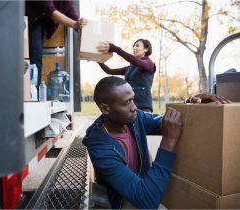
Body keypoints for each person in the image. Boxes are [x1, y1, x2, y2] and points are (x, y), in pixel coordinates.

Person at [82, 76, 230, 209]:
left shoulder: (134, 118)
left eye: (133, 99)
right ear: (105, 108)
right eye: (126, 103)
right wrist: (169, 141)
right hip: (122, 201)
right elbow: (146, 201)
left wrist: (191, 105)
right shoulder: (100, 149)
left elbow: (167, 122)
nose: (134, 107)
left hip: (144, 184)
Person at [25, 0, 86, 84]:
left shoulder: (66, 2)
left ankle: (33, 92)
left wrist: (82, 25)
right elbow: (51, 11)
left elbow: (75, 21)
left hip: (37, 23)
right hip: (23, 17)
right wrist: (76, 24)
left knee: (36, 58)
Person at [96, 39, 156, 112]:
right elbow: (109, 71)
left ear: (146, 49)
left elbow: (137, 62)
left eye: (137, 45)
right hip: (130, 106)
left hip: (143, 107)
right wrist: (98, 60)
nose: (134, 48)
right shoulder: (130, 67)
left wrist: (116, 49)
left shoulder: (149, 64)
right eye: (133, 46)